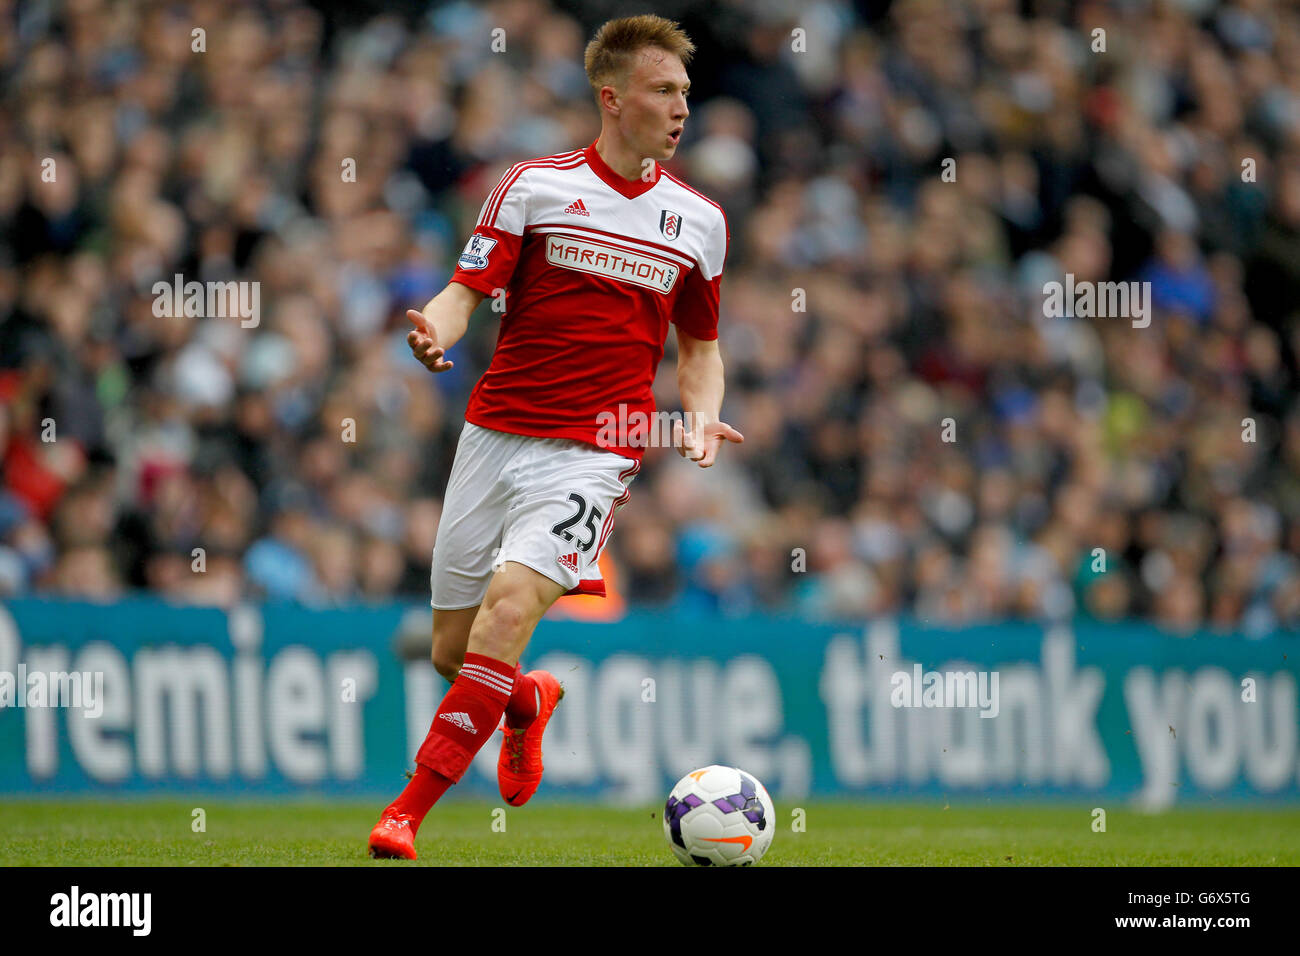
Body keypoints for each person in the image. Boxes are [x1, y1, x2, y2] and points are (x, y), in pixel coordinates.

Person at [369, 14, 742, 859]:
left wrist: (701, 411)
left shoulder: (701, 222)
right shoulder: (532, 186)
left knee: (508, 608)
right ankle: (525, 701)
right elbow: (466, 292)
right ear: (612, 99)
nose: (682, 109)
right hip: (495, 434)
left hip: (598, 448)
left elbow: (702, 348)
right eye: (664, 91)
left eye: (686, 93)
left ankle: (406, 813)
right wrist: (435, 329)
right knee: (451, 653)